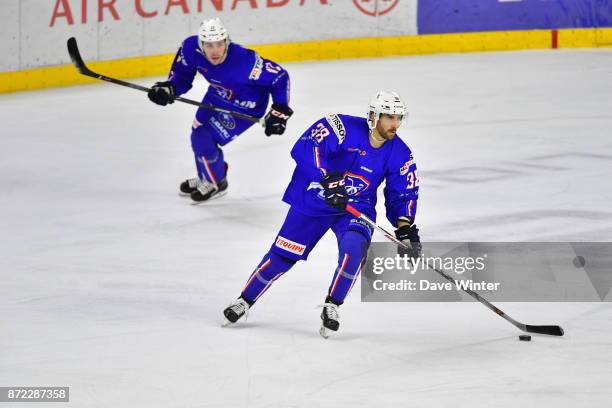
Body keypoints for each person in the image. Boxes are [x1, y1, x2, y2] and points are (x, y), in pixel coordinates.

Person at [222, 91, 421, 338]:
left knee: (354, 250)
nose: (395, 124)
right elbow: (307, 146)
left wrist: (405, 228)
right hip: (315, 198)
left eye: (399, 118)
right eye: (389, 117)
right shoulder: (341, 126)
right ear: (374, 116)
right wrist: (326, 178)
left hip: (356, 206)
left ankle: (332, 305)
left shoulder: (400, 153)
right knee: (282, 257)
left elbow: (403, 192)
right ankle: (245, 300)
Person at [147, 18, 293, 202]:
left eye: (219, 44)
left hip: (247, 105)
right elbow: (182, 76)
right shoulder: (190, 48)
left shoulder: (245, 62)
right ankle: (207, 177)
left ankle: (216, 182)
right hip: (217, 95)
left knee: (202, 137)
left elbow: (279, 77)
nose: (215, 50)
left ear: (227, 42)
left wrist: (279, 111)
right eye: (209, 45)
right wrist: (170, 88)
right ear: (201, 45)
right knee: (198, 135)